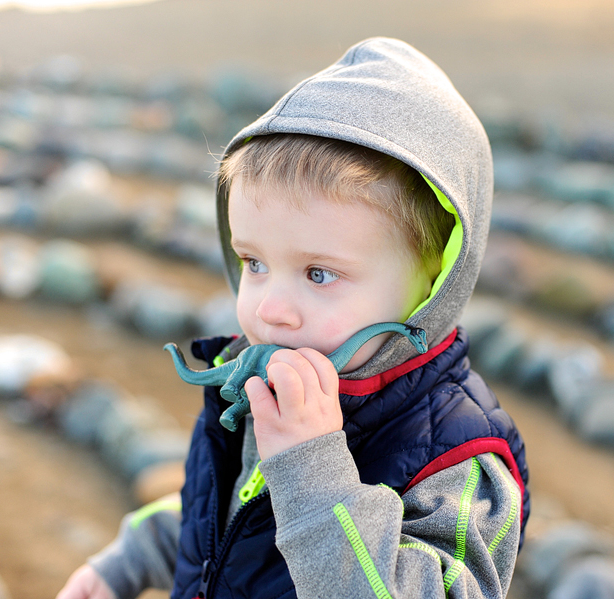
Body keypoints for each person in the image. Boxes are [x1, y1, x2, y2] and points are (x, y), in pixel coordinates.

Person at [56, 37, 529, 599]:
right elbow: (227, 523)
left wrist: (311, 473)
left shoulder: (458, 457)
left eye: (319, 274)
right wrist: (131, 560)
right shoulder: (264, 382)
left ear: (432, 283)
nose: (269, 310)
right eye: (254, 262)